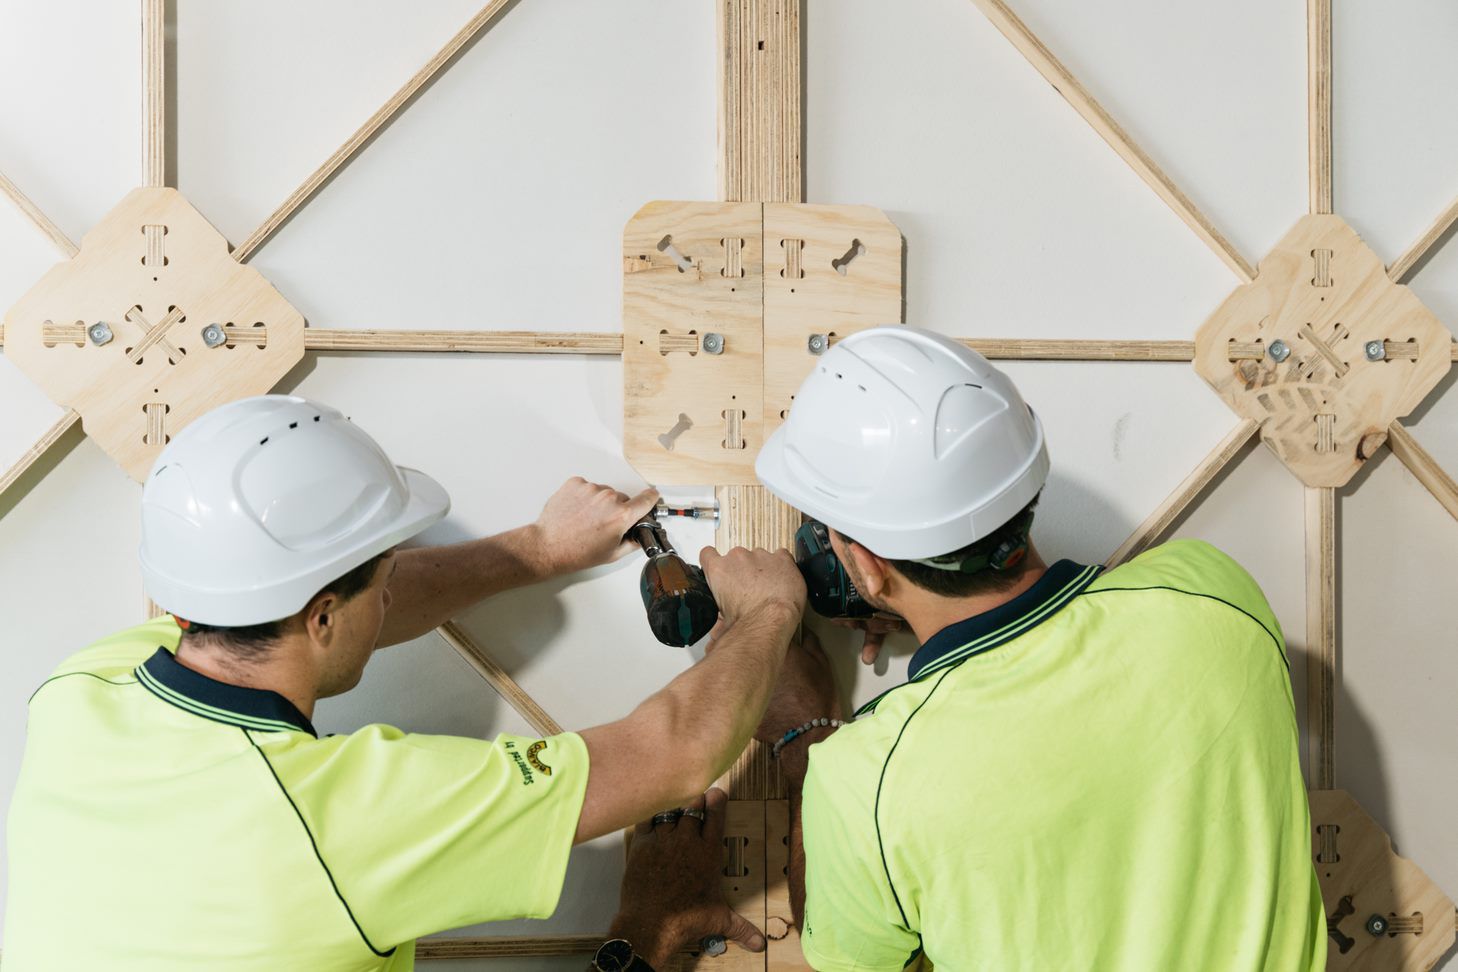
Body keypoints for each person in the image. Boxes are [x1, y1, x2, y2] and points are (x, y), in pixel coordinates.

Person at [4, 394, 803, 971]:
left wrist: (537, 549)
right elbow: (674, 754)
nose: (392, 594)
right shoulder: (339, 822)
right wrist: (769, 610)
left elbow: (339, 605)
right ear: (321, 617)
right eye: (382, 579)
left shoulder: (86, 686)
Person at [745, 326, 1325, 970]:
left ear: (866, 566)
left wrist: (807, 736)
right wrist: (928, 604)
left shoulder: (866, 779)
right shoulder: (1213, 595)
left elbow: (847, 959)